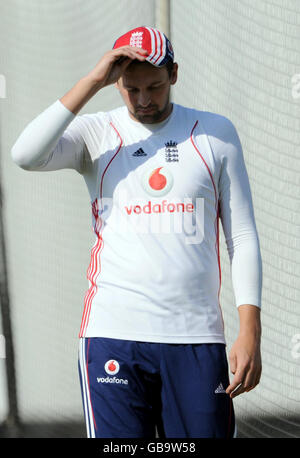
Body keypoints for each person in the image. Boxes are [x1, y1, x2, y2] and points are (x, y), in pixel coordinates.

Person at [11, 26, 262, 438]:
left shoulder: (215, 134)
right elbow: (25, 154)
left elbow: (243, 237)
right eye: (131, 89)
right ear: (116, 83)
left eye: (155, 87)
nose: (145, 100)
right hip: (113, 335)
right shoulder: (97, 133)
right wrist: (92, 81)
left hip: (196, 339)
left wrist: (250, 330)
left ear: (174, 75)